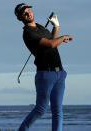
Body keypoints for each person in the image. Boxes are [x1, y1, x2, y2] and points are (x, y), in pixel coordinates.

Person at [14, 3, 73, 131]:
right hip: (45, 74)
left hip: (59, 73)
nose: (28, 13)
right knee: (41, 109)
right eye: (24, 13)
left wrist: (56, 26)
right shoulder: (28, 33)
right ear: (20, 18)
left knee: (58, 111)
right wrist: (63, 37)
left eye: (29, 10)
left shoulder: (40, 27)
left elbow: (52, 39)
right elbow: (51, 44)